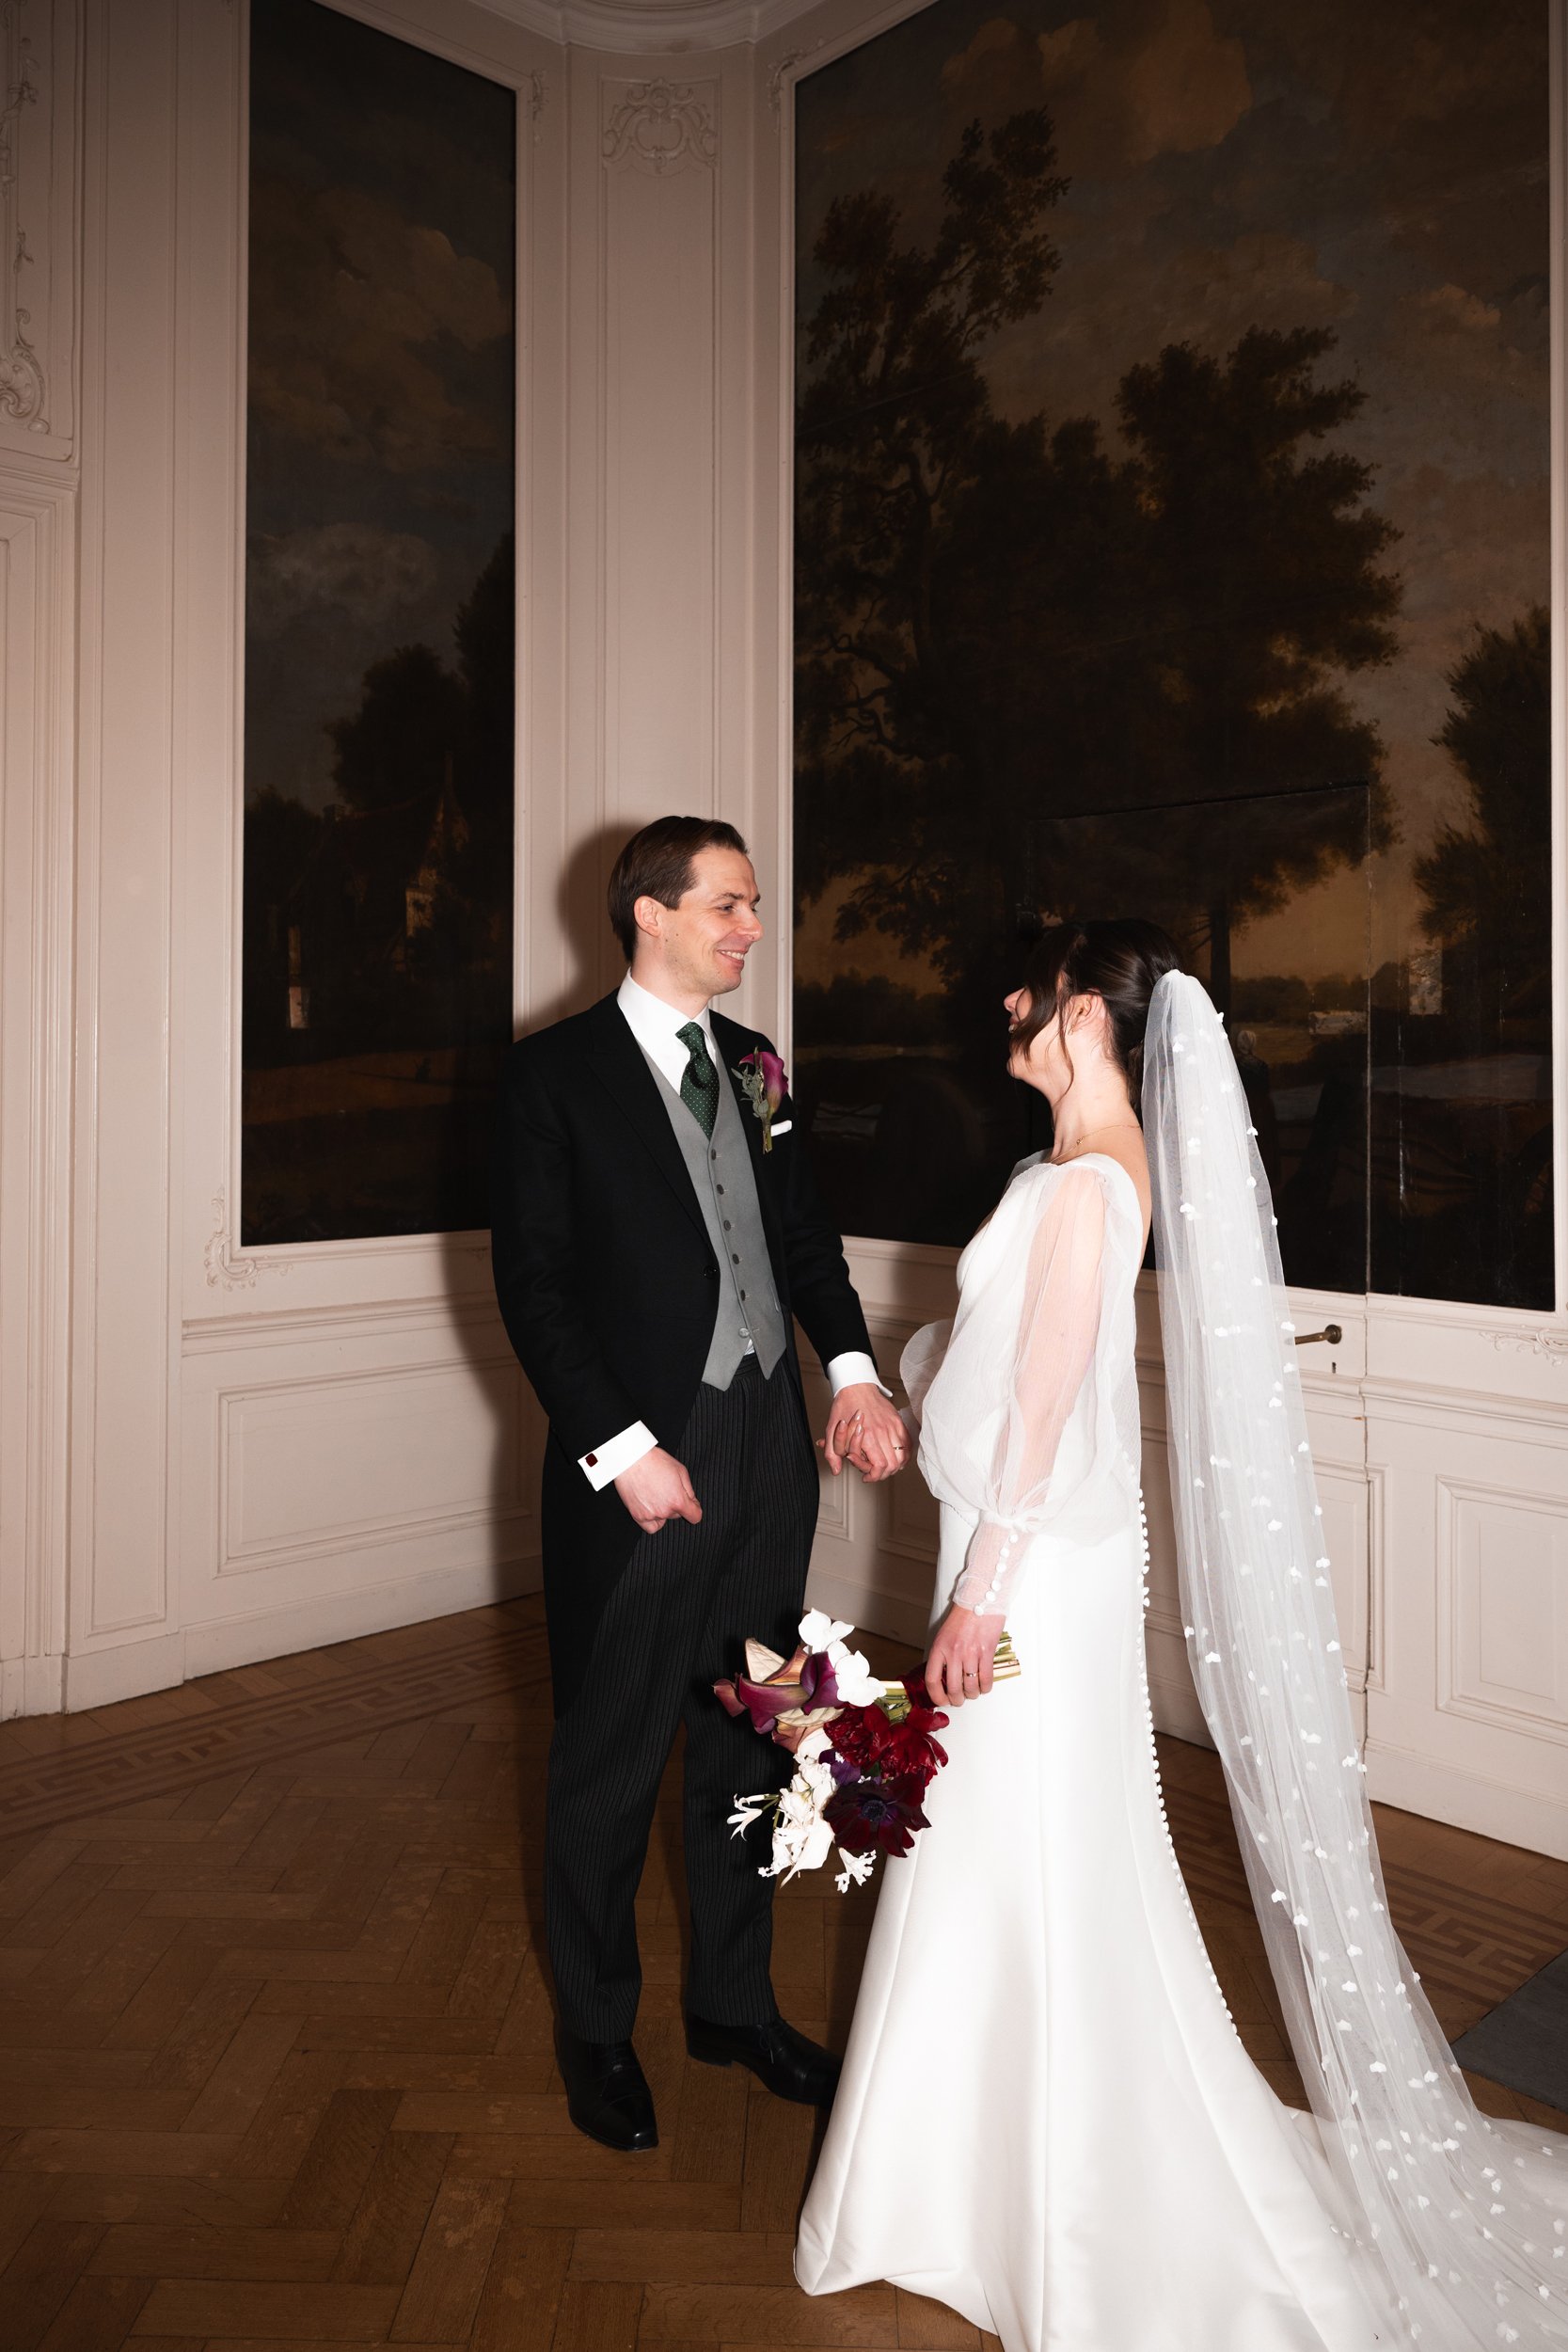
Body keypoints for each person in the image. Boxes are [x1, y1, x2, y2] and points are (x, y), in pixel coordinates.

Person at [798, 920, 1567, 2350]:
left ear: (1089, 1015)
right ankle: (974, 2177)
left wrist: (979, 1595)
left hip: (1023, 1567)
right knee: (1024, 1851)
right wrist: (910, 1390)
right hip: (1035, 1552)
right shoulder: (1085, 1176)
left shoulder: (1083, 1187)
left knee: (1026, 1849)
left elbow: (1040, 1411)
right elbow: (1016, 1372)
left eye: (1030, 993)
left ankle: (1011, 2191)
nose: (1010, 1009)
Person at [491, 815, 909, 2154]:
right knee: (609, 1763)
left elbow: (800, 1236)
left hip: (765, 1454)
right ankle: (598, 2031)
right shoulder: (550, 1076)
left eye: (755, 905)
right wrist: (622, 1449)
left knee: (752, 1734)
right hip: (637, 1470)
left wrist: (847, 1370)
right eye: (728, 905)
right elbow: (535, 1286)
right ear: (650, 914)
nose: (751, 928)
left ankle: (735, 2005)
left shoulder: (761, 1065)